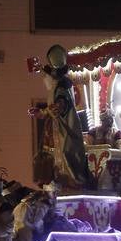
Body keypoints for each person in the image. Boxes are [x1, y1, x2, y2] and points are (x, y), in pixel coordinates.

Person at [31, 44, 88, 188]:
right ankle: (53, 180)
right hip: (56, 127)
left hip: (64, 128)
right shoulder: (58, 86)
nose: (44, 79)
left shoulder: (62, 87)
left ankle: (69, 181)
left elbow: (58, 108)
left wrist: (43, 113)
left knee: (64, 153)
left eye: (45, 76)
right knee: (49, 154)